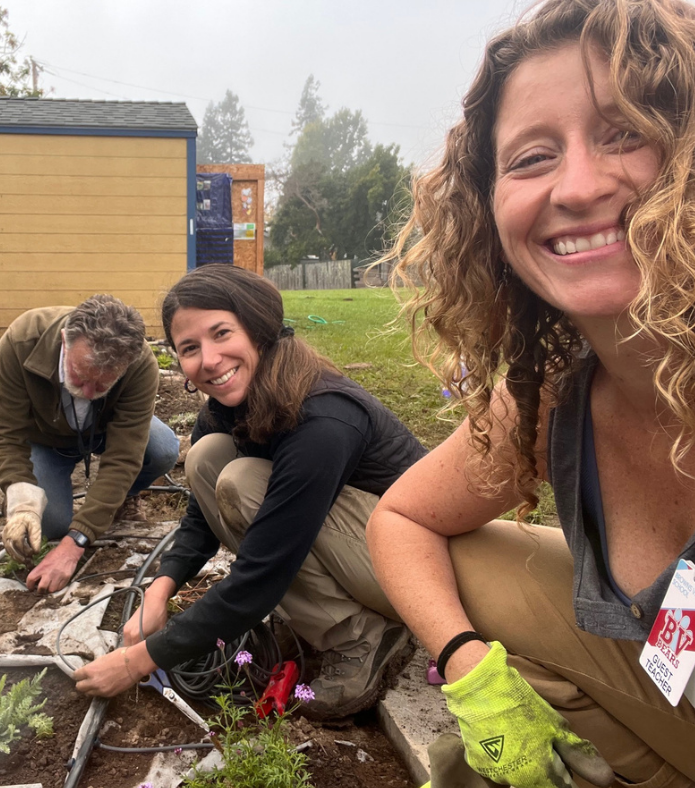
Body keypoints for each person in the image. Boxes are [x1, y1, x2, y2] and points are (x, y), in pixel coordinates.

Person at [367, 0, 695, 785]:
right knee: (477, 569)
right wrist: (467, 667)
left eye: (624, 133)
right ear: (486, 208)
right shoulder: (558, 394)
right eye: (532, 157)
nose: (578, 187)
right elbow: (402, 518)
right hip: (676, 689)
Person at [74, 264, 427, 719]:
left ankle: (362, 636)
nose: (209, 359)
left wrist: (137, 661)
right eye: (189, 348)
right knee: (207, 457)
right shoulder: (228, 407)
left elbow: (262, 573)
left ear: (259, 327)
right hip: (359, 551)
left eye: (222, 333)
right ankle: (321, 617)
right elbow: (200, 517)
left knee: (241, 483)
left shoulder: (324, 417)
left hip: (414, 571)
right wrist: (159, 590)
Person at [0, 295, 180, 594]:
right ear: (65, 341)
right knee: (49, 526)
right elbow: (7, 434)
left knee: (162, 448)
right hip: (44, 439)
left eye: (103, 385)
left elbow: (124, 457)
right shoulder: (21, 342)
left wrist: (76, 542)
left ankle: (125, 498)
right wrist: (23, 503)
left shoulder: (139, 363)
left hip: (103, 431)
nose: (88, 393)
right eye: (79, 375)